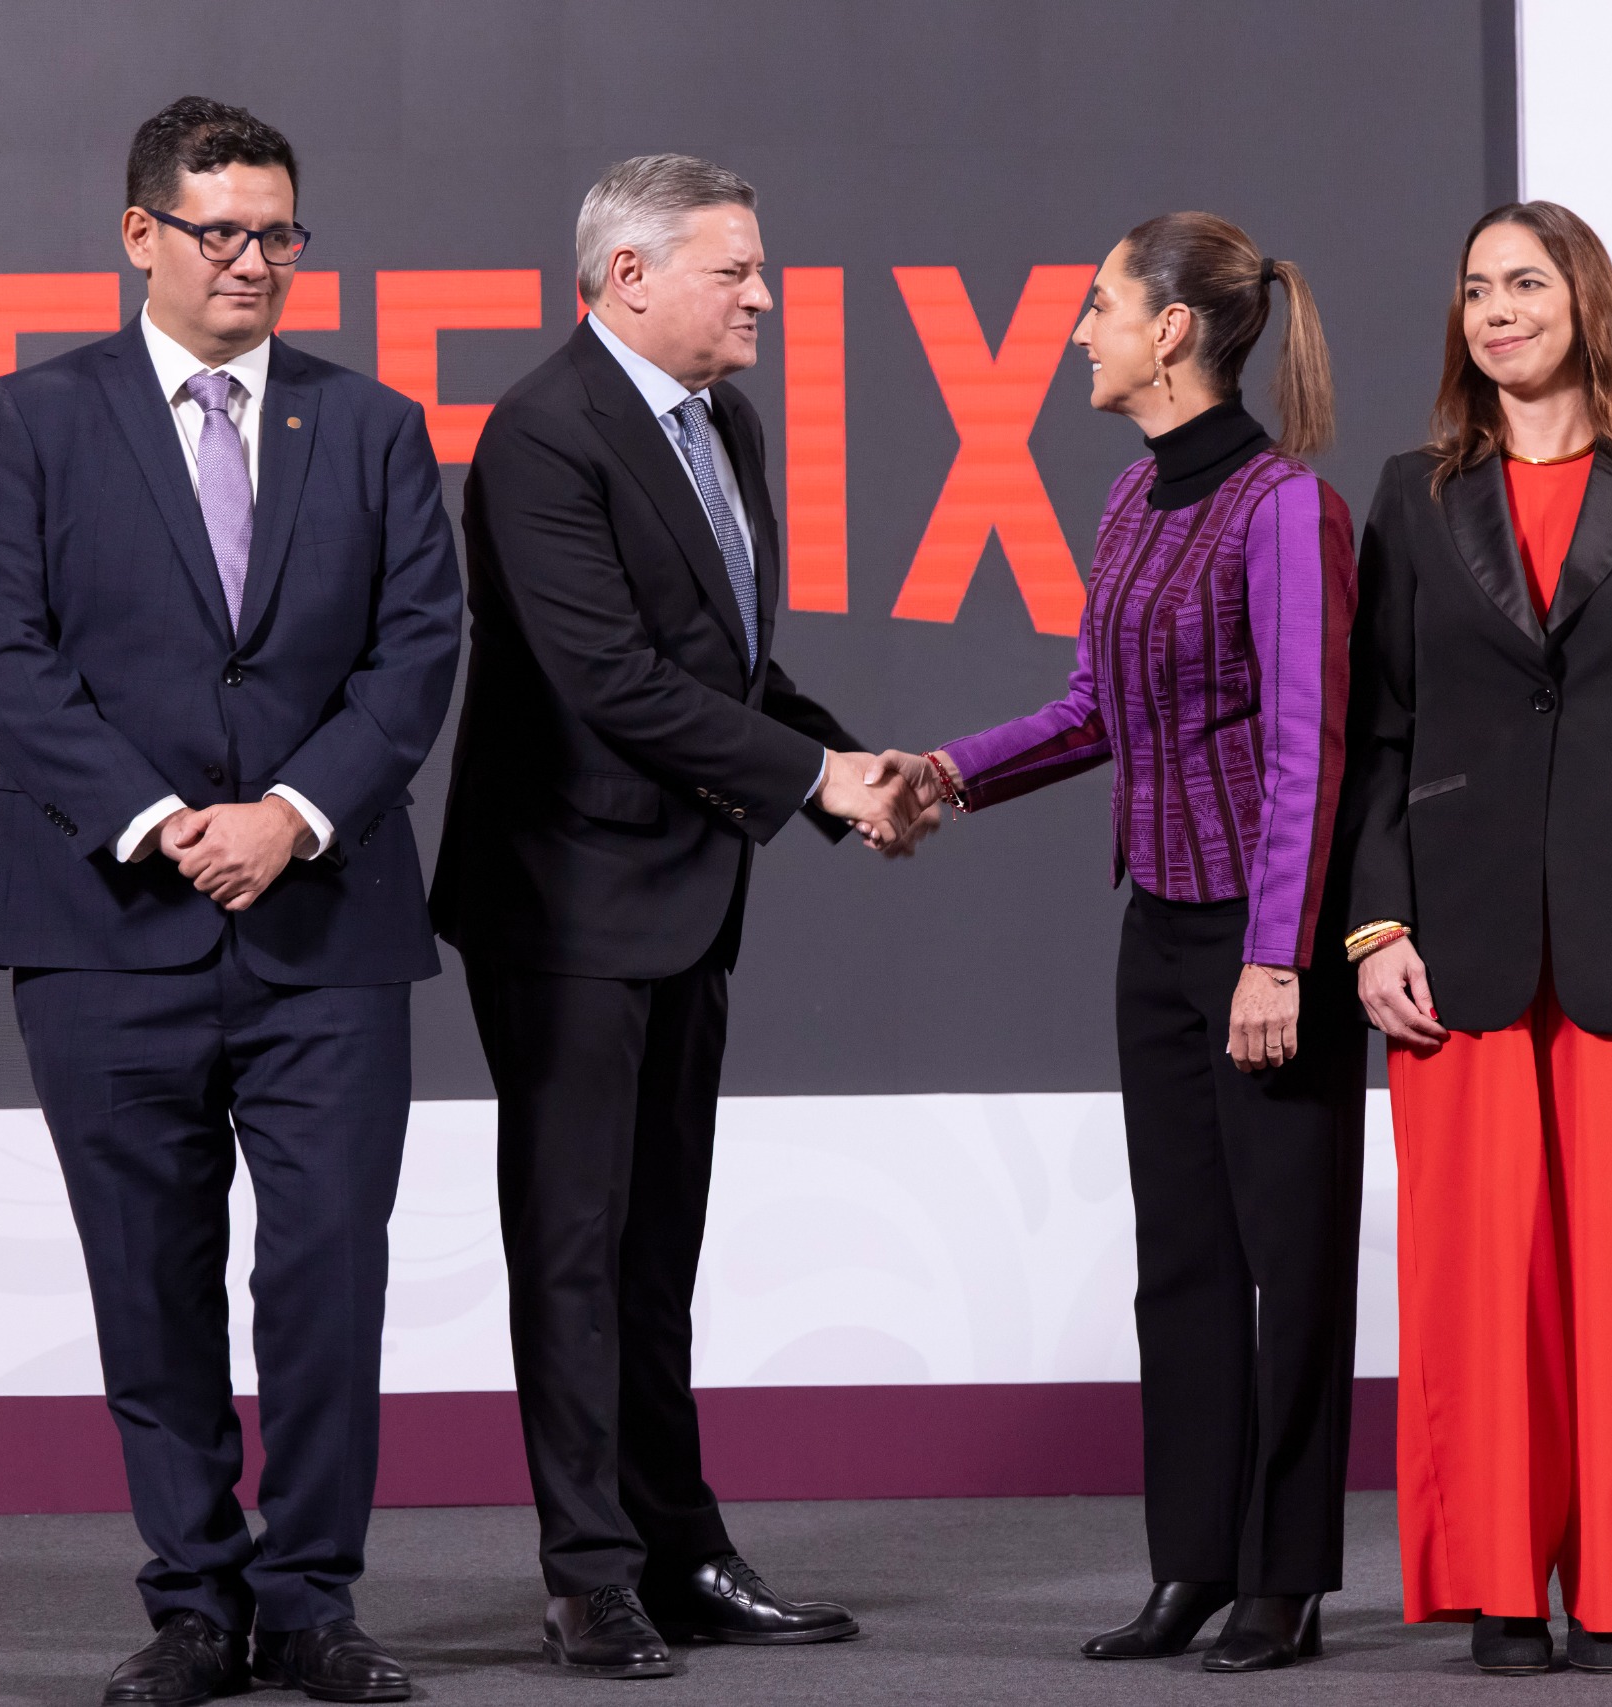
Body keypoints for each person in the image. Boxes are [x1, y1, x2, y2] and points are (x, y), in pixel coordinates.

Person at [0, 98, 461, 1707]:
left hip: (326, 930)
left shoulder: (371, 425)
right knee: (146, 1279)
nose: (254, 261)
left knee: (329, 1282)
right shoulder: (35, 417)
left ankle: (312, 1605)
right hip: (102, 928)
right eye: (221, 230)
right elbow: (1, 657)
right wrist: (165, 822)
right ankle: (193, 1604)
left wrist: (291, 817)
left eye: (278, 234)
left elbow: (418, 652)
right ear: (141, 236)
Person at [430, 154, 922, 1681]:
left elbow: (727, 672)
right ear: (629, 276)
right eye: (736, 268)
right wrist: (818, 781)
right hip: (566, 905)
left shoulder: (726, 424)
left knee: (657, 1252)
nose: (764, 296)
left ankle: (679, 1550)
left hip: (690, 893)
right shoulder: (540, 434)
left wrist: (853, 769)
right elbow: (610, 684)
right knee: (575, 1250)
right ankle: (588, 1577)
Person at [877, 213, 1361, 1675]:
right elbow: (1095, 706)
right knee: (1185, 1262)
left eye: (1098, 306)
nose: (1078, 331)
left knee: (1293, 1265)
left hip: (1263, 946)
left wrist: (1276, 957)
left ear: (1172, 331)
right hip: (1157, 930)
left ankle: (1286, 1578)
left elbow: (1312, 747)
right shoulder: (1132, 497)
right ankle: (1192, 1566)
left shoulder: (1287, 508)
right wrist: (947, 773)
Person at [1341, 202, 1612, 1676]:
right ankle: (1501, 1584)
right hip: (1453, 936)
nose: (1497, 310)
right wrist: (1373, 925)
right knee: (1470, 1277)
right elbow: (1378, 733)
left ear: (1585, 305)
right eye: (1475, 290)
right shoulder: (1412, 494)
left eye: (1524, 283)